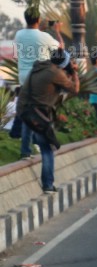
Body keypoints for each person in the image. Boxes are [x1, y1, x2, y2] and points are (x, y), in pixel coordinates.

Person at [16, 47, 79, 192]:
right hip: (40, 115)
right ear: (64, 63)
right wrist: (74, 72)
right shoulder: (55, 73)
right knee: (47, 148)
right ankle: (48, 184)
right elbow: (75, 90)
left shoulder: (38, 68)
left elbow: (28, 89)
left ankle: (25, 151)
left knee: (36, 137)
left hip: (27, 111)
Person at [14, 11, 62, 158]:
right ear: (39, 19)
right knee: (42, 112)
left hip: (23, 78)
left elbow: (32, 39)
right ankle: (44, 143)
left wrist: (40, 28)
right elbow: (60, 49)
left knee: (28, 113)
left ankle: (25, 150)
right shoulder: (45, 37)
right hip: (40, 79)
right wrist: (57, 32)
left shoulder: (19, 34)